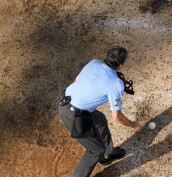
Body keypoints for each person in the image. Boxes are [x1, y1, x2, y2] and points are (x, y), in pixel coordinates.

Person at [58, 47, 144, 177]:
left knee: (100, 119)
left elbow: (76, 82)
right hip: (75, 116)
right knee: (96, 150)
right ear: (120, 65)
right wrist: (134, 125)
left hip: (65, 102)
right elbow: (117, 117)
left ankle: (108, 152)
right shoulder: (116, 84)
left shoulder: (94, 62)